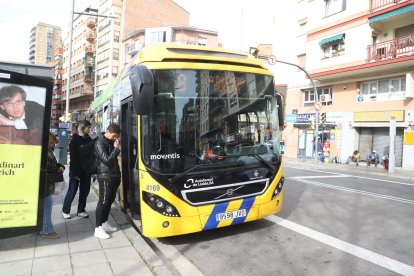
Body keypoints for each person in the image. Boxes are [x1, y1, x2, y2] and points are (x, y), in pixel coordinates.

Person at [94, 123, 121, 239]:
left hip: (114, 175)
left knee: (110, 200)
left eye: (117, 136)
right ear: (108, 132)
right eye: (114, 135)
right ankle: (97, 228)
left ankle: (104, 223)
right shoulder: (99, 143)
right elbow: (107, 160)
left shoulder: (110, 141)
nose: (115, 138)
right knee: (103, 201)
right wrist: (116, 150)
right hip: (105, 176)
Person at [62, 120, 93, 219]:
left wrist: (92, 170)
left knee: (85, 191)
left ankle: (81, 210)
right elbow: (73, 157)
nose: (90, 130)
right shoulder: (75, 139)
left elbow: (91, 156)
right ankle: (65, 210)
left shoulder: (89, 139)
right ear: (83, 128)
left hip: (86, 171)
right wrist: (75, 173)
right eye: (88, 128)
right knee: (72, 191)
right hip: (76, 170)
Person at [41, 132, 65, 238]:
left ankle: (41, 228)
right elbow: (46, 165)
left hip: (46, 182)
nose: (53, 145)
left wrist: (59, 165)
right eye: (52, 143)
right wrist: (57, 168)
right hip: (44, 183)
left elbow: (53, 163)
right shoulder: (43, 151)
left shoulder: (48, 150)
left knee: (45, 206)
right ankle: (47, 230)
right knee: (47, 205)